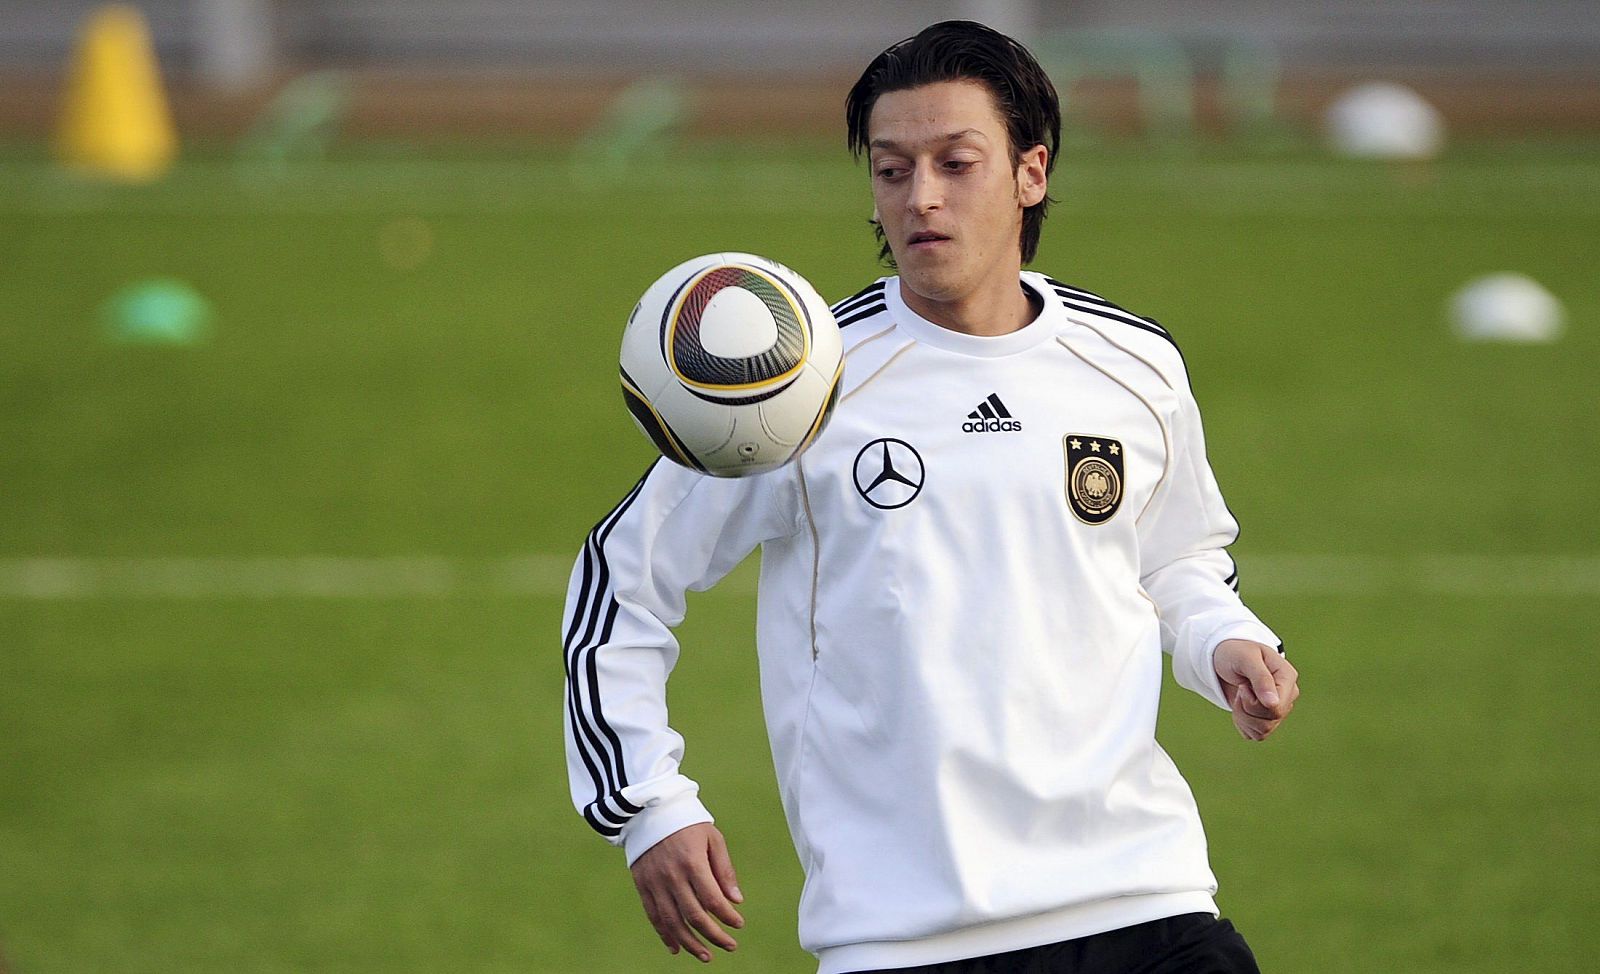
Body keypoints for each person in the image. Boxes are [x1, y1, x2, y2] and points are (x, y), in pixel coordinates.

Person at [562, 20, 1300, 974]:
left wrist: (1221, 640)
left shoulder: (1132, 363)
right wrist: (651, 805)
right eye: (892, 170)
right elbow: (620, 583)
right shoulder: (797, 382)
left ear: (1031, 172)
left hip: (1146, 899)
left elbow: (1178, 556)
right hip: (906, 938)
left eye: (957, 163)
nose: (922, 199)